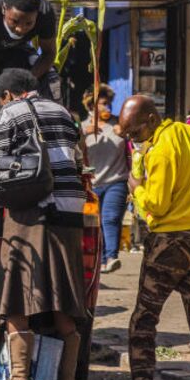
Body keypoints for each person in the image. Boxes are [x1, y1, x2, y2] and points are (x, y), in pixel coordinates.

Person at [0, 69, 89, 380]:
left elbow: (1, 165)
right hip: (71, 212)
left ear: (7, 95)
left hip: (33, 209)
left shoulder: (11, 112)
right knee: (62, 295)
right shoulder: (62, 111)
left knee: (18, 292)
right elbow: (75, 158)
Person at [116, 95, 190, 380]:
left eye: (134, 133)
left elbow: (157, 204)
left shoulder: (161, 150)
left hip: (169, 242)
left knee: (144, 318)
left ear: (151, 120)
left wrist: (137, 188)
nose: (132, 140)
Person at [82, 84, 129, 274]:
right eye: (102, 104)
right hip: (92, 182)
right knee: (96, 222)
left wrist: (126, 133)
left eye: (109, 104)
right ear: (92, 106)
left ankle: (112, 257)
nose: (107, 108)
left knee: (111, 218)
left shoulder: (119, 125)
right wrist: (82, 135)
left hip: (116, 180)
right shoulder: (84, 127)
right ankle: (100, 260)